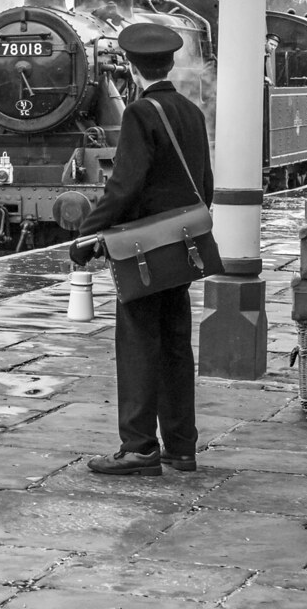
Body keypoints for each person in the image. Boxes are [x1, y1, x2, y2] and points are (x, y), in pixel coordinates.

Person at [69, 23, 213, 477]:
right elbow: (203, 187)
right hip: (181, 246)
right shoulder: (190, 112)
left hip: (144, 253)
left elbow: (123, 187)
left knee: (136, 345)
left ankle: (139, 447)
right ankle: (181, 447)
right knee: (175, 347)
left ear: (130, 65)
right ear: (170, 63)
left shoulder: (140, 113)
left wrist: (87, 235)